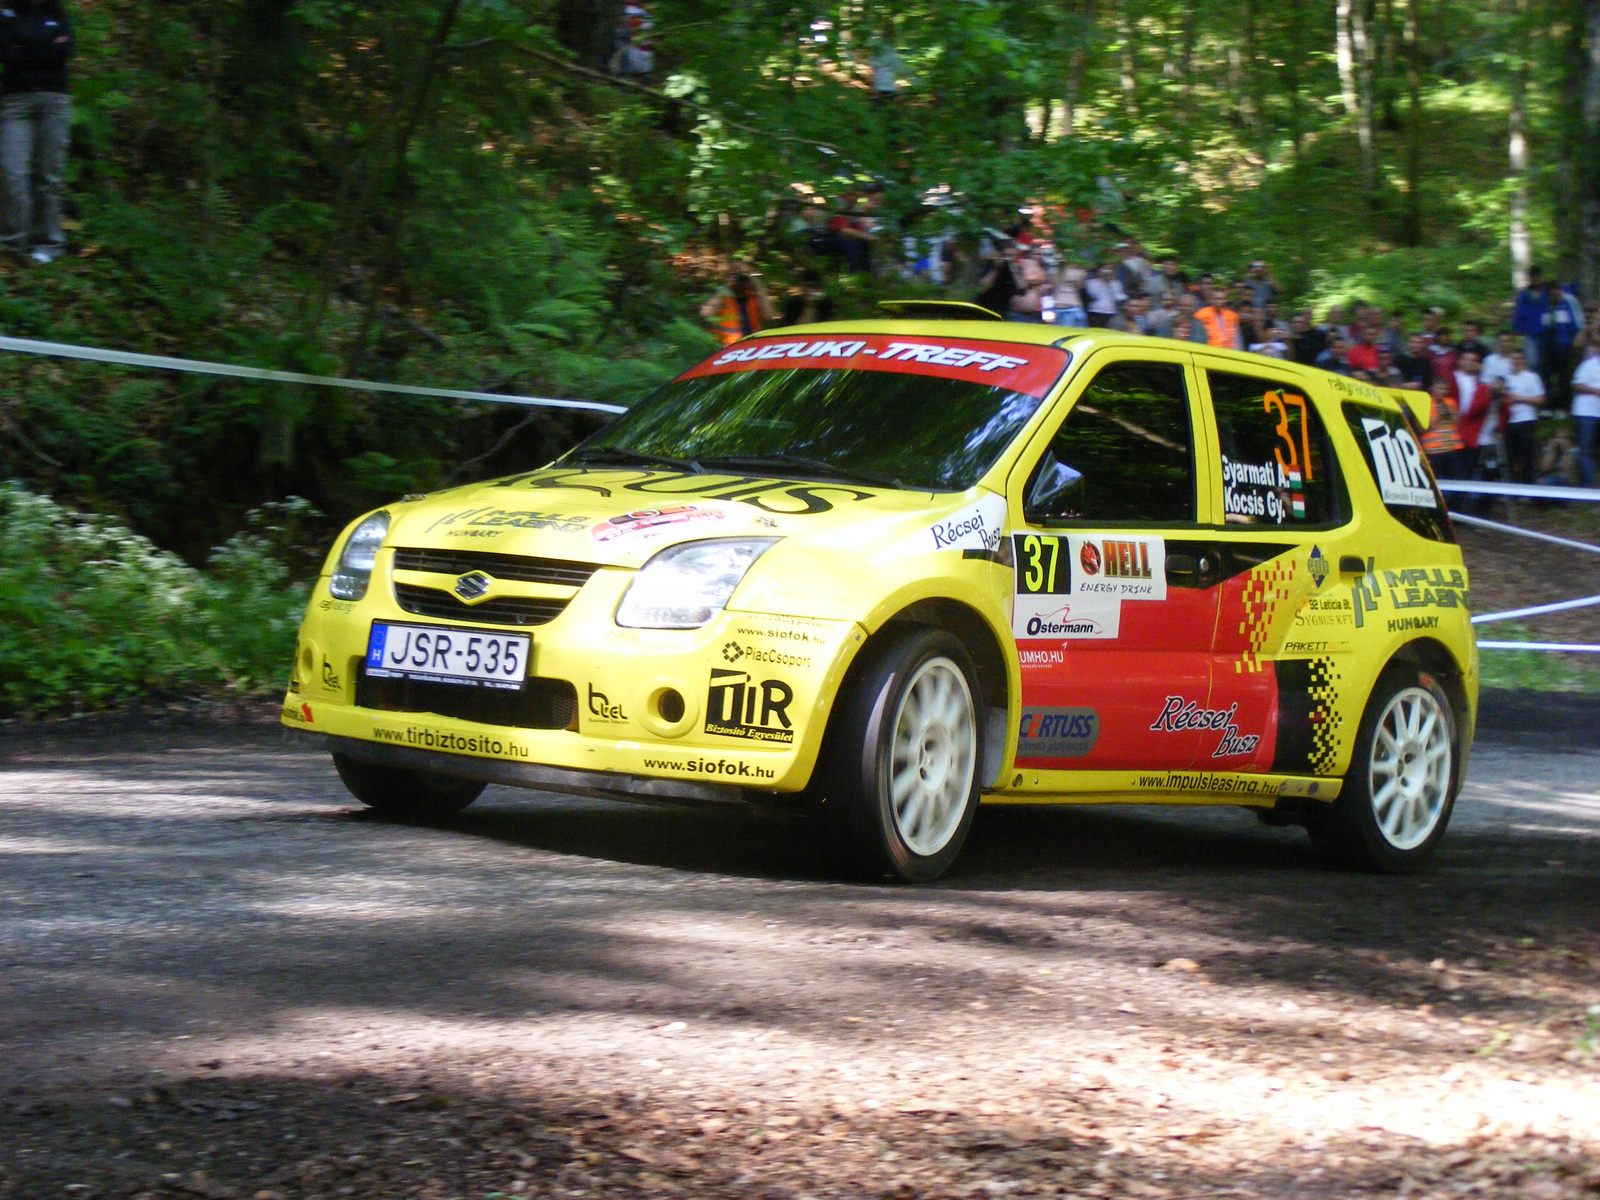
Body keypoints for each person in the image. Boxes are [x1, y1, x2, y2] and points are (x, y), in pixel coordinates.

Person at [0, 0, 74, 263]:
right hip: (16, 101)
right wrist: (42, 49)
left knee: (49, 175)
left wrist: (24, 50)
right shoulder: (6, 13)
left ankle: (49, 244)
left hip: (55, 100)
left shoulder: (56, 13)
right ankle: (12, 244)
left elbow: (64, 51)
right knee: (11, 171)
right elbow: (5, 53)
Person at [700, 260, 775, 346]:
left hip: (752, 346)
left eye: (743, 275)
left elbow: (769, 316)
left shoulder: (753, 297)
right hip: (727, 347)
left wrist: (757, 284)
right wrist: (727, 286)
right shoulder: (722, 296)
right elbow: (705, 314)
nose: (740, 279)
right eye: (735, 274)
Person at [1499, 350, 1545, 484]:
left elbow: (1540, 400)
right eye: (1513, 359)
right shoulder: (1504, 378)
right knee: (1510, 457)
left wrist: (1520, 398)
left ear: (1523, 360)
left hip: (1526, 420)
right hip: (1509, 422)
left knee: (1528, 457)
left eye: (1519, 358)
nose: (1516, 361)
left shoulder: (1531, 377)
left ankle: (1530, 489)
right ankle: (1513, 490)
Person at [1540, 280, 1584, 411]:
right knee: (1546, 375)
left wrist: (1575, 342)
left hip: (1564, 344)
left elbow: (1579, 324)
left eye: (1555, 292)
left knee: (1563, 376)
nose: (1554, 295)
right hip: (1548, 344)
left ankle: (1563, 406)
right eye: (1551, 293)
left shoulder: (1569, 301)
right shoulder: (1545, 303)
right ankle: (1548, 406)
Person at [1419, 377, 1465, 481]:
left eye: (1445, 389)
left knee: (1457, 478)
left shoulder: (1450, 402)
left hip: (1452, 448)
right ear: (1432, 388)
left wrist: (1452, 413)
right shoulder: (1424, 403)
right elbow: (1421, 429)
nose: (1443, 392)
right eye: (1440, 388)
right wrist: (1438, 416)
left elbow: (1458, 423)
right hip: (1434, 450)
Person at [1571, 342, 1600, 487]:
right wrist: (1596, 391)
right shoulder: (1588, 364)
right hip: (1586, 412)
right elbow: (1576, 384)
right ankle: (1587, 487)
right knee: (1586, 450)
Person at [1512, 267, 1548, 375]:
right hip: (1530, 333)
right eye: (1533, 278)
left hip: (1546, 333)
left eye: (1538, 278)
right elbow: (1519, 312)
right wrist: (1519, 328)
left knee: (1545, 362)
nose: (1536, 280)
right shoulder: (1524, 294)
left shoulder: (1546, 292)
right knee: (1532, 362)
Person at [1082, 261, 1124, 328]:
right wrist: (1102, 281)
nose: (1107, 271)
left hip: (1111, 312)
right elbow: (1093, 295)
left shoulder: (1116, 283)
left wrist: (1110, 282)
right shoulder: (1091, 282)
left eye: (1109, 269)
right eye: (1105, 269)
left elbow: (1118, 297)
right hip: (1096, 311)